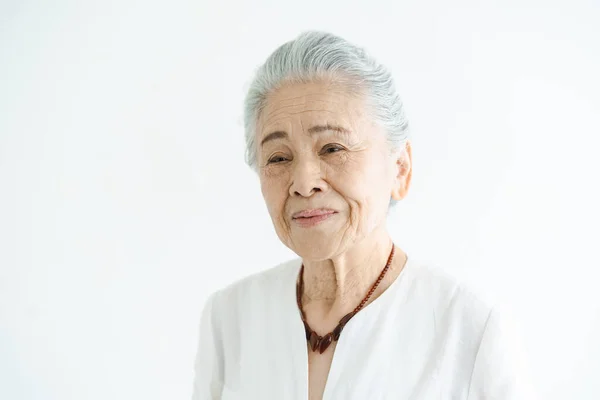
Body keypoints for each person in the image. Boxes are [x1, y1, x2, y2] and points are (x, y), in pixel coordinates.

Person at [192, 30, 535, 400]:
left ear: (400, 168)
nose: (304, 182)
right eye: (278, 157)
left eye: (333, 147)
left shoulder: (470, 330)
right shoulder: (228, 318)